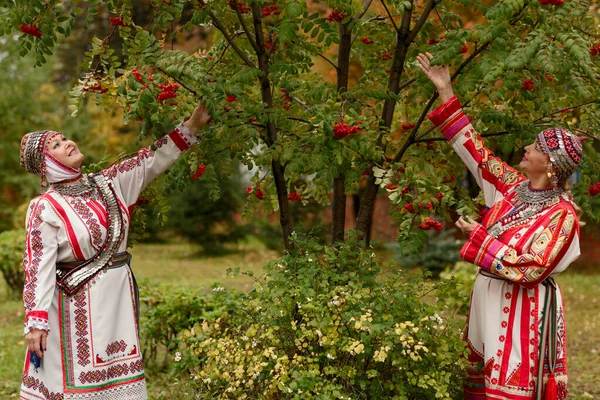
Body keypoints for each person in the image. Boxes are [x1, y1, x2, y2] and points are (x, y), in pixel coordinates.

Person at [19, 101, 211, 400]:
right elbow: (38, 267)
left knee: (120, 383)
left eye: (64, 138)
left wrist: (193, 125)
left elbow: (150, 160)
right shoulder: (45, 207)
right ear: (46, 166)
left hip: (117, 302)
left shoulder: (110, 184)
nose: (68, 143)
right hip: (74, 313)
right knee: (76, 388)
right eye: (56, 145)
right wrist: (36, 321)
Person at [417, 52, 582, 399]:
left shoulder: (562, 215)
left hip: (522, 308)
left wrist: (478, 236)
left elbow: (533, 268)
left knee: (508, 385)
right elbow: (474, 151)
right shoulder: (510, 185)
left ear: (550, 165)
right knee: (477, 385)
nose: (525, 147)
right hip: (486, 297)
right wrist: (446, 90)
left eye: (535, 147)